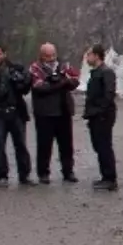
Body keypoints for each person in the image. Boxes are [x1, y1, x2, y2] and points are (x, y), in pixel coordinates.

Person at [0, 44, 34, 187]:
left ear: (4, 53)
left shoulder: (16, 69)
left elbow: (25, 89)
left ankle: (24, 175)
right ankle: (2, 175)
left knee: (21, 145)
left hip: (16, 111)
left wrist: (21, 80)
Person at [29, 43, 80, 184]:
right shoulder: (35, 68)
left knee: (66, 145)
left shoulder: (64, 65)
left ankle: (68, 171)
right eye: (47, 56)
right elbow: (40, 87)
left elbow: (75, 80)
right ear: (41, 55)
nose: (51, 58)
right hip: (44, 112)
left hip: (63, 110)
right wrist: (61, 83)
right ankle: (43, 173)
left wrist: (60, 82)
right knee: (44, 145)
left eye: (53, 55)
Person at [83, 44, 118, 191]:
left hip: (102, 116)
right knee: (98, 146)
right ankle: (105, 176)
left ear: (97, 56)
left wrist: (100, 111)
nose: (87, 57)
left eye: (89, 54)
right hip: (95, 115)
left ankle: (110, 178)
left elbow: (109, 94)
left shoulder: (106, 72)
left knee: (104, 146)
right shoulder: (96, 72)